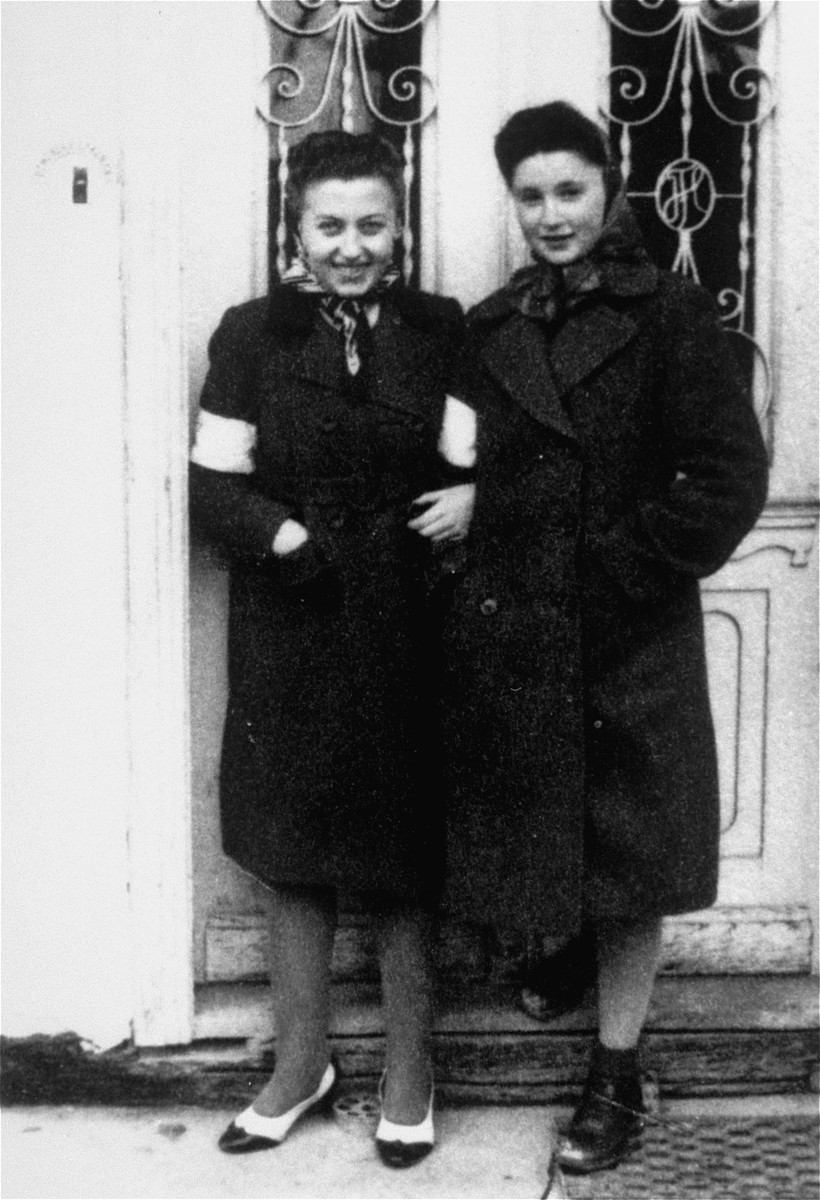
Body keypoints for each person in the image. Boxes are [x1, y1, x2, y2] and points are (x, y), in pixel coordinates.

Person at [441, 102, 769, 1175]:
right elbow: (474, 468)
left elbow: (728, 476)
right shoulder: (491, 328)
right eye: (529, 196)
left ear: (608, 190)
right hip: (525, 637)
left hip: (628, 633)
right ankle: (572, 943)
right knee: (557, 826)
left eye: (568, 191)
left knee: (633, 858)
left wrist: (623, 569)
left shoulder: (668, 312)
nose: (549, 215)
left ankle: (615, 1070)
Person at [189, 130, 474, 1167]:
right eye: (330, 226)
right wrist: (287, 538)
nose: (350, 246)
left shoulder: (439, 331)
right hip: (293, 617)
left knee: (403, 850)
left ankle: (411, 1072)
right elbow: (215, 488)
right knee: (292, 845)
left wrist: (474, 497)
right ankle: (298, 1063)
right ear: (296, 230)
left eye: (370, 225)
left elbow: (482, 457)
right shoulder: (252, 336)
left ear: (398, 228)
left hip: (405, 614)